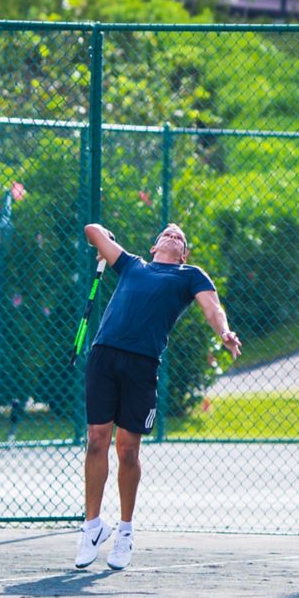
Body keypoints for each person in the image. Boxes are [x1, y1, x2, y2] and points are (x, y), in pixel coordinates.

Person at [76, 219, 240, 569]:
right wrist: (107, 237)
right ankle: (91, 527)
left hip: (142, 364)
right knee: (96, 440)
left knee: (128, 450)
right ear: (154, 246)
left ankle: (124, 532)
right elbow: (91, 230)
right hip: (104, 354)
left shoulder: (190, 275)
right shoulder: (132, 264)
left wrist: (224, 332)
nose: (172, 235)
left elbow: (213, 307)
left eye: (179, 237)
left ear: (184, 254)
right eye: (167, 233)